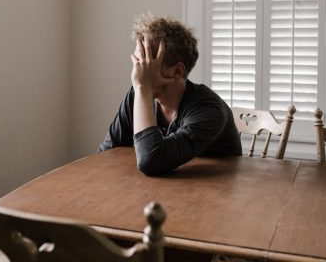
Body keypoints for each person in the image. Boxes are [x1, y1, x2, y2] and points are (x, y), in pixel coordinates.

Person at [99, 13, 242, 175]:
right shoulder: (137, 95)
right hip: (161, 189)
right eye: (138, 61)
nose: (138, 71)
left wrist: (142, 88)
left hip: (217, 192)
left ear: (177, 71)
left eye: (148, 62)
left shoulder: (209, 109)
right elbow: (106, 153)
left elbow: (151, 160)